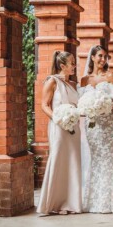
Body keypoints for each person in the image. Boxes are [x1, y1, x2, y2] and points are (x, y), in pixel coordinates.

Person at [80, 45, 113, 213]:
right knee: (96, 158)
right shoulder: (85, 80)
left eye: (105, 56)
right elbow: (81, 102)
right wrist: (91, 108)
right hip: (92, 125)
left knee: (108, 158)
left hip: (108, 124)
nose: (103, 59)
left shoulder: (111, 76)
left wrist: (107, 106)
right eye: (100, 56)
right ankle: (94, 201)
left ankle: (110, 201)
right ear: (92, 57)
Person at [37, 51, 82, 215]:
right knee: (58, 159)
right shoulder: (52, 81)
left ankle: (70, 202)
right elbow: (44, 105)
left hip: (74, 127)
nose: (75, 66)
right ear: (62, 65)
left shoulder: (73, 84)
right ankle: (51, 203)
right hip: (59, 126)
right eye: (72, 63)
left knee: (73, 161)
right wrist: (58, 119)